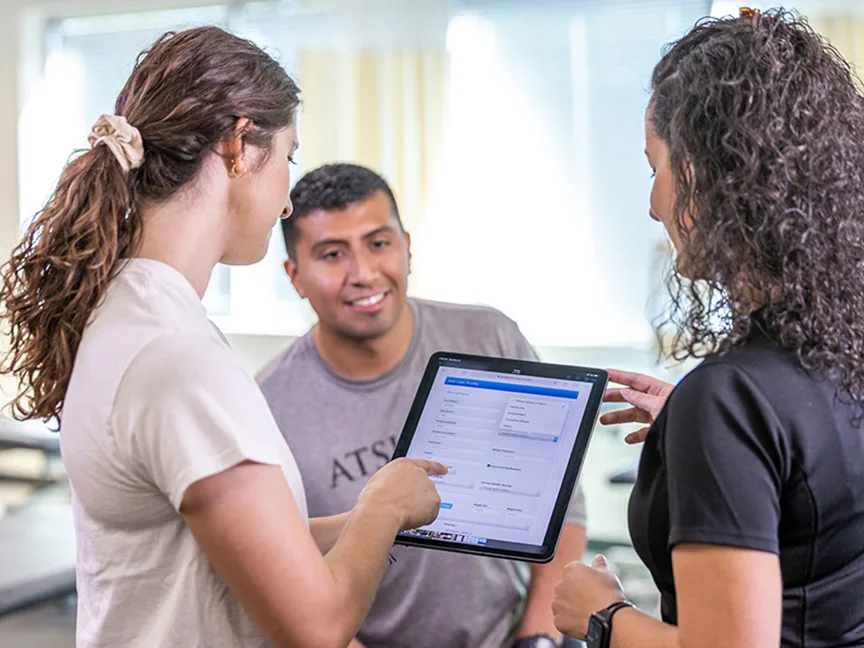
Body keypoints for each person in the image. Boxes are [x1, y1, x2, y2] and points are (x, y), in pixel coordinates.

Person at [0, 27, 448, 648]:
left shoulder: (136, 316)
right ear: (239, 145)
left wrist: (355, 524)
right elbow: (316, 627)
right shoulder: (175, 356)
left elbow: (213, 550)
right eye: (287, 158)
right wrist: (383, 506)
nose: (288, 202)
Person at [551, 9, 864, 648]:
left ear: (702, 173)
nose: (651, 203)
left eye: (654, 169)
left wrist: (603, 613)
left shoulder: (731, 399)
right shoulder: (839, 349)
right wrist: (718, 444)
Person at [258, 163, 588, 648]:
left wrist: (538, 639)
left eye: (378, 243)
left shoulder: (488, 338)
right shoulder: (266, 405)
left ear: (407, 246)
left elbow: (561, 504)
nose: (363, 273)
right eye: (332, 254)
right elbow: (278, 574)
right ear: (296, 276)